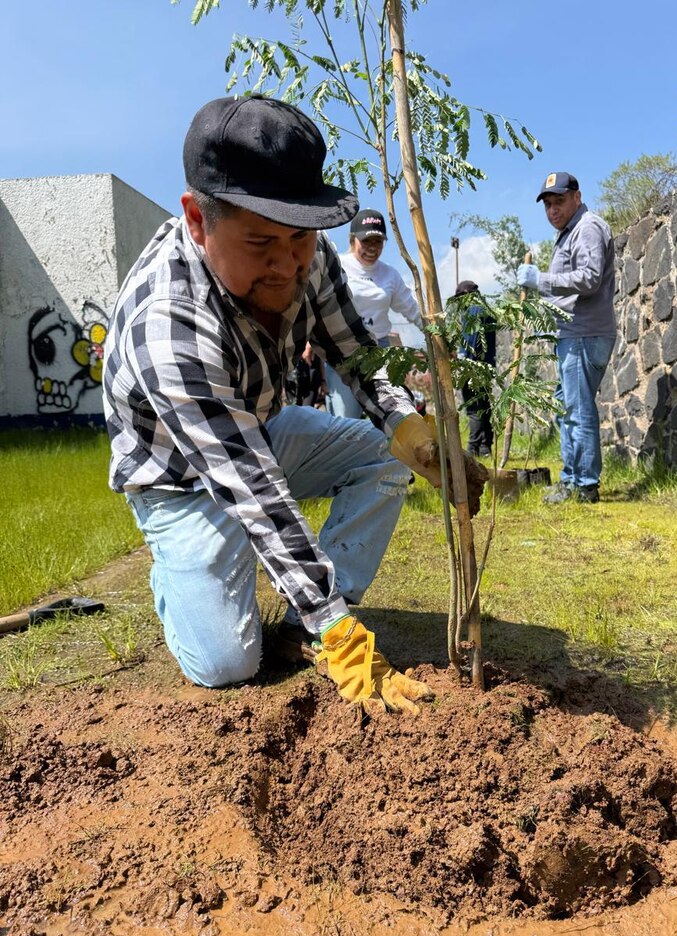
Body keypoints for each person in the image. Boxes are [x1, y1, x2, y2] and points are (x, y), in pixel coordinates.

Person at [103, 94, 487, 715]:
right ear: (199, 222)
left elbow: (360, 357)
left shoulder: (308, 257)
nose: (287, 267)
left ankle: (308, 623)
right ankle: (195, 575)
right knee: (229, 666)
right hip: (180, 476)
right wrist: (345, 638)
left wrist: (414, 433)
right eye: (260, 244)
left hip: (260, 427)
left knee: (389, 456)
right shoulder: (167, 322)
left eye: (300, 240)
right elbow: (251, 486)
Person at [516, 172, 616, 504]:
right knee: (568, 408)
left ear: (577, 197)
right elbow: (570, 283)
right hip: (574, 333)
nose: (553, 210)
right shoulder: (569, 233)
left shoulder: (586, 228)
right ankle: (571, 479)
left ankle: (584, 485)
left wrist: (540, 280)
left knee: (577, 409)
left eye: (559, 201)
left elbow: (588, 279)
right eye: (547, 204)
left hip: (585, 334)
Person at [325, 208, 423, 419]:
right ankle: (348, 452)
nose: (372, 248)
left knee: (388, 412)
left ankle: (384, 453)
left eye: (378, 241)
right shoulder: (337, 265)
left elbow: (412, 309)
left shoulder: (389, 275)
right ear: (353, 239)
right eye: (366, 241)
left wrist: (435, 333)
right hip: (342, 351)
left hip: (380, 351)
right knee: (345, 417)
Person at [453, 279, 497, 458]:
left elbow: (471, 341)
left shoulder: (473, 312)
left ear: (465, 295)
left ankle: (473, 448)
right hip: (486, 365)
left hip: (472, 366)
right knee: (484, 406)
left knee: (474, 408)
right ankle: (485, 448)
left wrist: (463, 363)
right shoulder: (487, 310)